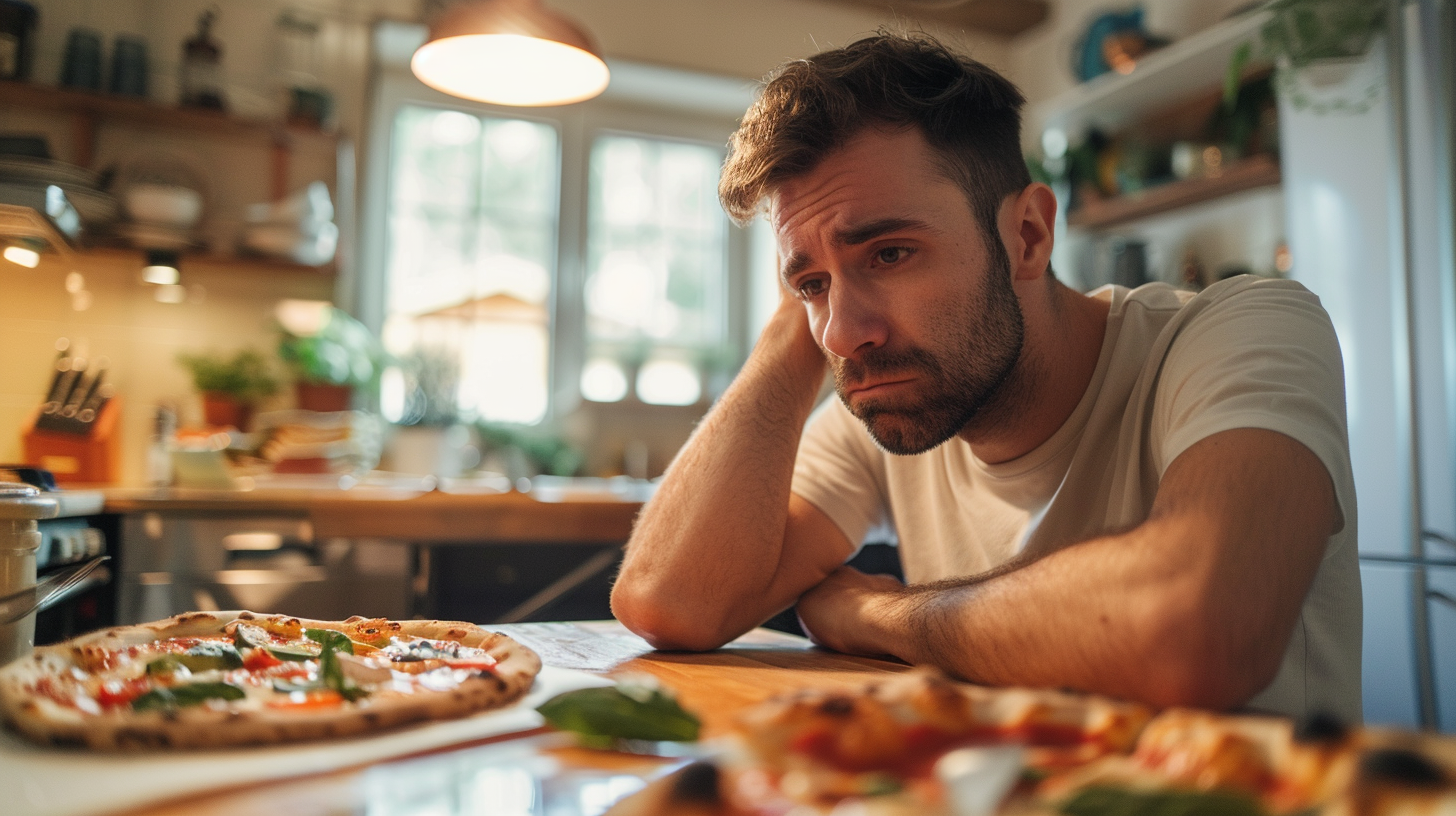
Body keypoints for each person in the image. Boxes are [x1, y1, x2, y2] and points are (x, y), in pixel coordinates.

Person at [610, 33, 1361, 721]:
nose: (843, 333)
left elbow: (1199, 629)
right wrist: (791, 320)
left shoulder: (1237, 331)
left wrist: (878, 615)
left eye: (890, 253)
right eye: (811, 286)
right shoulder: (892, 396)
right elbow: (668, 602)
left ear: (1026, 236)